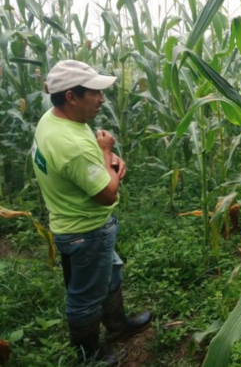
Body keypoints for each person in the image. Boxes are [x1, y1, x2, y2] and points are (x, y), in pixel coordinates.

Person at [32, 60, 152, 365]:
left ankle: (118, 327)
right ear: (71, 96)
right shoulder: (71, 144)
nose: (102, 99)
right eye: (96, 93)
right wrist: (104, 153)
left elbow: (86, 160)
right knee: (85, 296)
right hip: (86, 233)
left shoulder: (54, 119)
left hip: (77, 226)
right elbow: (107, 194)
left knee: (110, 276)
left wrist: (107, 156)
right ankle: (89, 354)